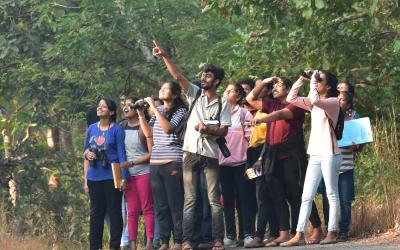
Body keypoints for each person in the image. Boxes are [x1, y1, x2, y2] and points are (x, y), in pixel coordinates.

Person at [152, 40, 231, 250]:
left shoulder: (223, 102)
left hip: (210, 154)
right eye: (203, 74)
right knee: (190, 200)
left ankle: (217, 240)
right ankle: (186, 241)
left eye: (208, 75)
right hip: (189, 153)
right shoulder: (195, 94)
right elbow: (178, 77)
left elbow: (224, 130)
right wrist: (165, 56)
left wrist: (208, 130)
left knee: (214, 200)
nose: (203, 78)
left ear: (217, 81)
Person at [246, 77, 322, 247]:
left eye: (278, 85)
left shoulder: (296, 105)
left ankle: (316, 227)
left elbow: (281, 115)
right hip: (273, 155)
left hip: (291, 155)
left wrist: (260, 120)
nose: (274, 88)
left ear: (289, 88)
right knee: (277, 194)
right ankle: (284, 234)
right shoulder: (272, 104)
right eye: (273, 86)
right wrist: (266, 81)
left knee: (297, 193)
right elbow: (250, 99)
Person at [282, 70, 342, 246]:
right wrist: (301, 79)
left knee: (331, 192)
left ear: (329, 86)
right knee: (306, 195)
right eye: (315, 80)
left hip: (330, 153)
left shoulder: (332, 102)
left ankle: (332, 231)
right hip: (315, 153)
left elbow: (315, 99)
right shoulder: (315, 103)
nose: (315, 82)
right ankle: (299, 234)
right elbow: (291, 98)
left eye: (319, 80)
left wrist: (312, 80)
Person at [139, 81, 187, 250]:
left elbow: (168, 129)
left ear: (174, 95)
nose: (162, 90)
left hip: (172, 160)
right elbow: (148, 134)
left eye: (166, 89)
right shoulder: (157, 111)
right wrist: (141, 115)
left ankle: (179, 241)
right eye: (161, 88)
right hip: (156, 163)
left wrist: (153, 105)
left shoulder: (181, 111)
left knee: (175, 203)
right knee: (160, 205)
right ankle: (165, 241)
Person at [84, 98, 129, 250]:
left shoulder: (117, 130)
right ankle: (94, 247)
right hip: (93, 176)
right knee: (96, 213)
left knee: (114, 212)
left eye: (104, 106)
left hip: (112, 176)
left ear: (111, 112)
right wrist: (88, 154)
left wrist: (124, 177)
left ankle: (115, 246)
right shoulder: (91, 128)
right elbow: (85, 149)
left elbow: (122, 155)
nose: (100, 108)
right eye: (99, 106)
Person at [320, 91, 360, 241]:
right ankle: (330, 229)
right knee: (327, 198)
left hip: (346, 165)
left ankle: (344, 230)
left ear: (348, 104)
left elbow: (359, 144)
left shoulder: (353, 120)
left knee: (345, 199)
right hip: (328, 163)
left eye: (342, 100)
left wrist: (356, 146)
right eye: (337, 99)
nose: (339, 101)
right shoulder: (327, 117)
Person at [219, 83, 254, 247]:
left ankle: (247, 234)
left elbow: (251, 139)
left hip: (241, 163)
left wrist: (250, 161)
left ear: (239, 96)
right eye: (226, 90)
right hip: (222, 165)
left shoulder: (244, 114)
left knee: (244, 199)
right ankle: (231, 235)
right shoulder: (218, 114)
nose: (226, 93)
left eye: (231, 91)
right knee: (227, 201)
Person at [120, 97, 154, 250]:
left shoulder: (143, 127)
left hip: (143, 173)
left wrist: (133, 163)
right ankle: (132, 245)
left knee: (147, 208)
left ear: (136, 109)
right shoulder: (121, 127)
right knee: (131, 211)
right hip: (128, 175)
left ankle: (149, 244)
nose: (126, 108)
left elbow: (151, 153)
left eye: (130, 105)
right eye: (124, 105)